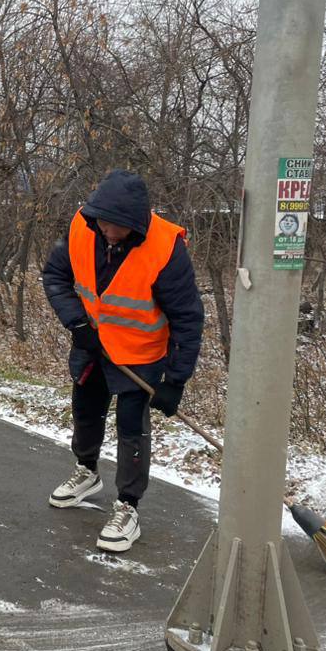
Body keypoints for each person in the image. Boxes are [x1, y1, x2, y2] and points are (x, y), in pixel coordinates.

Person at [41, 169, 204, 553]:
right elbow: (55, 276)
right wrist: (77, 322)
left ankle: (128, 507)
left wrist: (175, 380)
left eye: (117, 228)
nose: (109, 233)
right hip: (92, 345)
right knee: (85, 409)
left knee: (131, 428)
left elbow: (187, 317)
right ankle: (86, 471)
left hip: (140, 356)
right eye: (104, 225)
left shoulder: (165, 248)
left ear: (136, 224)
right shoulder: (83, 228)